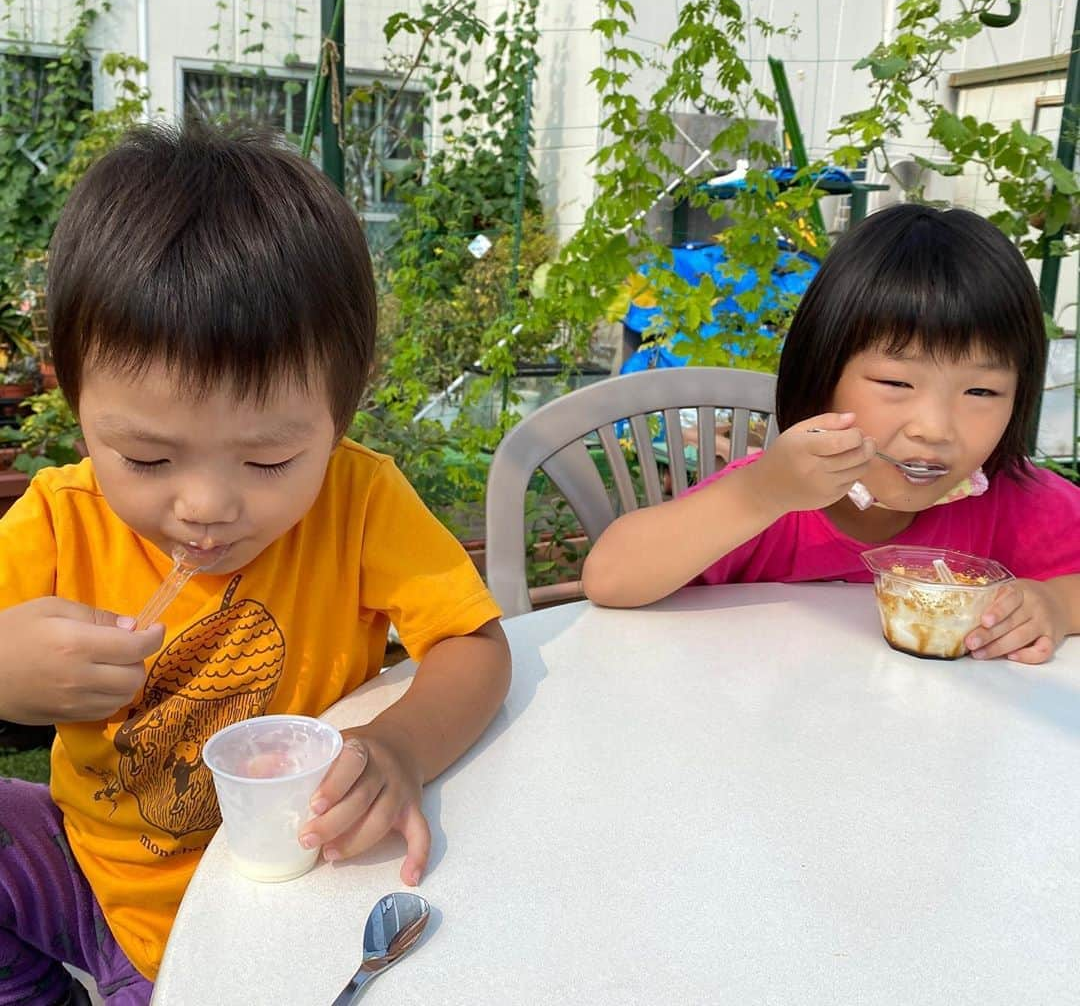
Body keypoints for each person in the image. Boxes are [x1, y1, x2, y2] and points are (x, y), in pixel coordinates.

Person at [0, 122, 510, 1005]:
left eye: (269, 461)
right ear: (75, 401)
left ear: (339, 416)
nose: (206, 505)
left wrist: (400, 744)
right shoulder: (57, 522)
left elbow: (476, 645)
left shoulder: (358, 504)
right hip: (86, 863)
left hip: (264, 901)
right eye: (148, 460)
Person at [582, 203, 1080, 662]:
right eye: (895, 382)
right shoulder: (774, 497)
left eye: (981, 393)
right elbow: (609, 578)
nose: (934, 428)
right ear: (821, 377)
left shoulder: (1014, 500)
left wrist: (1056, 604)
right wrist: (760, 495)